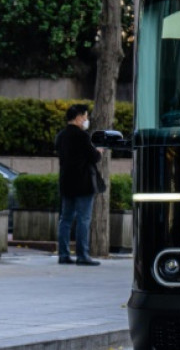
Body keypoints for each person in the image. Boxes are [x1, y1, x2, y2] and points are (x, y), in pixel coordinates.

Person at [55, 104, 103, 266]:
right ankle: (82, 255)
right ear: (78, 117)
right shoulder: (82, 136)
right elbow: (94, 157)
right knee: (84, 219)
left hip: (66, 182)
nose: (86, 120)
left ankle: (63, 254)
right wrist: (99, 151)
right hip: (83, 183)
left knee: (66, 219)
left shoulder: (61, 136)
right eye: (85, 117)